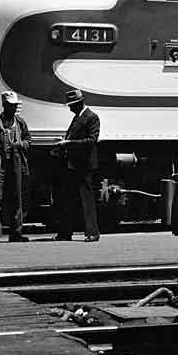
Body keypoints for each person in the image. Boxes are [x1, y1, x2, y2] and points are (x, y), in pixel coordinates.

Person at [53, 89, 100, 242]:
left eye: (72, 105)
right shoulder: (78, 117)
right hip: (74, 164)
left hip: (84, 166)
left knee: (86, 200)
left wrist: (68, 144)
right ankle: (66, 232)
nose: (70, 108)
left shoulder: (91, 117)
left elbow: (91, 140)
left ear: (79, 103)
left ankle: (92, 232)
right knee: (70, 200)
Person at [0, 91, 31, 243]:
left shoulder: (21, 122)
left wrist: (19, 145)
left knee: (17, 197)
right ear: (4, 106)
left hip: (15, 165)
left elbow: (28, 141)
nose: (14, 108)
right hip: (0, 165)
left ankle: (16, 232)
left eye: (15, 106)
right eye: (11, 106)